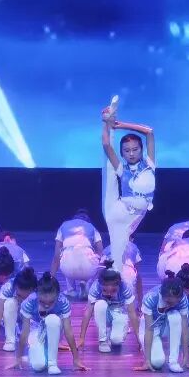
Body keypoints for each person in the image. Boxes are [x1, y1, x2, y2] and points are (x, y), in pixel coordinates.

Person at [100, 97, 156, 272]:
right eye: (126, 150)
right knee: (118, 258)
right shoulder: (121, 168)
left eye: (135, 149)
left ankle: (112, 276)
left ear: (141, 149)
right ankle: (112, 277)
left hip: (133, 214)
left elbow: (149, 132)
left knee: (119, 257)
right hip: (119, 212)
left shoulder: (149, 164)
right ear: (122, 153)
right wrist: (106, 124)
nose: (131, 153)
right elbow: (106, 144)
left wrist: (120, 124)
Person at [7, 272, 87, 374]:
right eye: (42, 302)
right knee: (38, 366)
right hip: (35, 331)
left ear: (57, 296)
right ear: (37, 295)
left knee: (52, 319)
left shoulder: (63, 302)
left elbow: (68, 331)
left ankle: (52, 364)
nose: (46, 306)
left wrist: (76, 359)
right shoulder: (30, 302)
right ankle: (37, 354)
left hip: (55, 329)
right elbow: (25, 332)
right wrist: (18, 358)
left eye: (51, 302)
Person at [79, 260, 140, 353]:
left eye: (113, 290)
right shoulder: (96, 287)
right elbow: (88, 312)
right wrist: (81, 338)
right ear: (101, 285)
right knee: (100, 304)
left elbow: (132, 314)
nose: (109, 294)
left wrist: (139, 339)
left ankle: (113, 332)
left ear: (119, 284)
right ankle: (103, 340)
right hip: (104, 312)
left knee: (116, 341)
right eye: (105, 290)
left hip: (119, 312)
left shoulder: (125, 287)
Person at [137, 272, 189, 373]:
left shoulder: (183, 299)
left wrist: (186, 357)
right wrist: (147, 360)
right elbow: (149, 329)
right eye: (169, 302)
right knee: (157, 363)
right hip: (152, 328)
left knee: (175, 316)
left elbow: (185, 328)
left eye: (177, 302)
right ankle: (149, 352)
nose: (173, 305)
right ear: (162, 295)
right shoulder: (151, 298)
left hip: (167, 325)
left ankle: (173, 361)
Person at [0, 267, 39, 353]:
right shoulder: (8, 287)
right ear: (14, 287)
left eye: (26, 297)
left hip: (34, 321)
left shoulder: (40, 291)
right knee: (9, 303)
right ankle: (10, 341)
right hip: (17, 317)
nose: (22, 300)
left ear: (33, 290)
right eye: (19, 295)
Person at [51, 210, 104, 297]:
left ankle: (71, 290)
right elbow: (101, 252)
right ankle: (87, 285)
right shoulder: (92, 227)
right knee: (96, 259)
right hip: (88, 268)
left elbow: (56, 256)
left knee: (65, 255)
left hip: (68, 267)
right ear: (87, 220)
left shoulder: (64, 226)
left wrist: (51, 280)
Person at [102, 235, 144, 305]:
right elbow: (138, 275)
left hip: (111, 276)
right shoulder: (134, 248)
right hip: (128, 275)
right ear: (131, 239)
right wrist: (140, 302)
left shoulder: (107, 249)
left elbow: (101, 269)